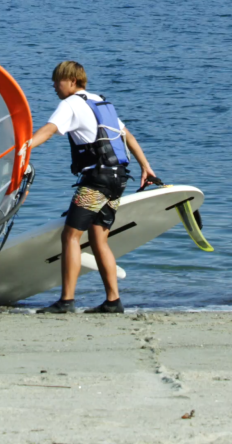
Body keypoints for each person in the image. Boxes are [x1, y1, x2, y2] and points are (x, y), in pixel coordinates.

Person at [21, 60, 157, 314]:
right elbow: (127, 135)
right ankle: (113, 302)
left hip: (96, 182)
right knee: (98, 239)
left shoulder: (70, 104)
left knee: (71, 236)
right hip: (118, 180)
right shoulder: (100, 101)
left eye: (57, 80)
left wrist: (23, 148)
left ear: (72, 81)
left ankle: (66, 301)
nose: (53, 86)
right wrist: (145, 166)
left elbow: (49, 130)